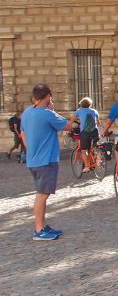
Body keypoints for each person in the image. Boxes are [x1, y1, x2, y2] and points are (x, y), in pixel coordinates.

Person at [21, 84, 73, 240]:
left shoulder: (27, 112)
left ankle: (42, 225)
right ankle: (39, 229)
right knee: (42, 195)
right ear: (48, 96)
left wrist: (30, 148)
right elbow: (68, 126)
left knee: (42, 193)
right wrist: (53, 109)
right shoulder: (47, 114)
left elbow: (23, 132)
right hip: (46, 160)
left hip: (34, 159)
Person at [73, 97, 101, 171]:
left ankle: (87, 166)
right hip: (95, 131)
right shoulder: (94, 111)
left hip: (85, 132)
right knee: (95, 147)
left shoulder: (79, 111)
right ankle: (98, 160)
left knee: (84, 150)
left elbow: (72, 119)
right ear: (90, 104)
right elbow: (98, 122)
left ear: (81, 104)